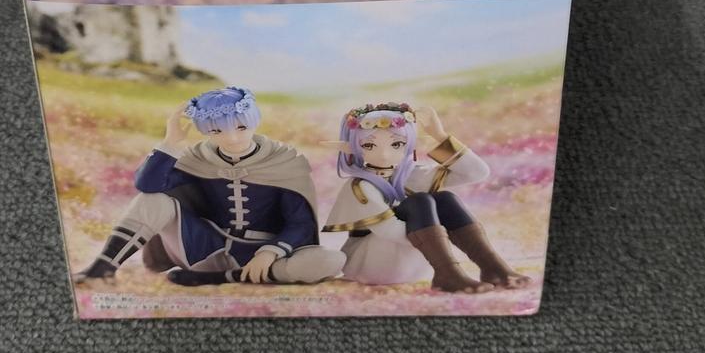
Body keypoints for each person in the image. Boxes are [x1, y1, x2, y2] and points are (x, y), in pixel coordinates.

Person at [72, 86, 343, 287]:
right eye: (217, 131)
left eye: (240, 127)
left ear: (253, 120)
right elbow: (148, 185)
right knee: (153, 199)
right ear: (204, 131)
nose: (232, 138)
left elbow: (301, 224)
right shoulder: (197, 159)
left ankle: (225, 277)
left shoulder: (285, 162)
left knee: (330, 261)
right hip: (201, 247)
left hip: (262, 256)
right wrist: (170, 142)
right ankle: (103, 267)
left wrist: (270, 252)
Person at [321, 103, 531, 292]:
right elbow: (389, 231)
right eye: (368, 145)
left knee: (445, 199)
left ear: (409, 145)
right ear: (352, 148)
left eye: (396, 144)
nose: (384, 154)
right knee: (420, 202)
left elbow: (477, 172)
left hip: (416, 266)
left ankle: (493, 268)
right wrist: (438, 232)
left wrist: (440, 136)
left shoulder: (412, 175)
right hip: (373, 265)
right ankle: (447, 272)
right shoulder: (360, 186)